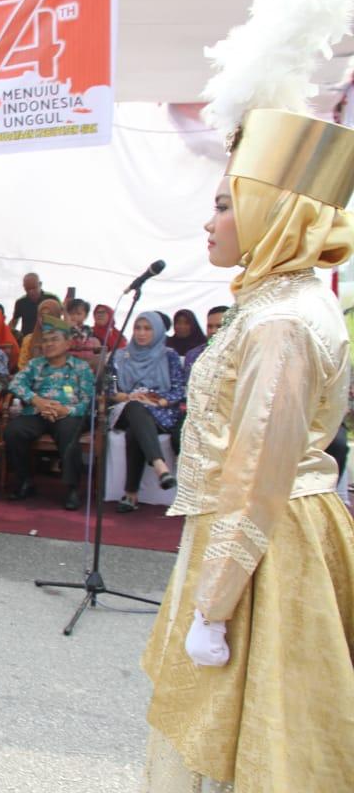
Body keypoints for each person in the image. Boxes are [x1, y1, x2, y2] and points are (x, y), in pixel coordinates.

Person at [138, 67, 354, 785]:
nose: (210, 221)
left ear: (275, 214)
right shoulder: (280, 302)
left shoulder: (280, 322)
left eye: (226, 204)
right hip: (266, 529)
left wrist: (214, 603)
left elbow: (258, 471)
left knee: (253, 727)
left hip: (263, 542)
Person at [4, 317, 96, 510]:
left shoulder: (81, 368)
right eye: (45, 341)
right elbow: (15, 384)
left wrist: (65, 410)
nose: (48, 344)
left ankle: (72, 488)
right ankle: (25, 481)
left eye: (54, 339)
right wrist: (36, 400)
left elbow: (88, 400)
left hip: (69, 414)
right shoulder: (35, 365)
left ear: (68, 343)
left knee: (69, 432)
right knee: (14, 431)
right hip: (38, 411)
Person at [107, 311, 185, 512]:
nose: (141, 333)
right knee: (135, 407)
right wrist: (127, 397)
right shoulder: (119, 357)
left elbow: (179, 389)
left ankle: (130, 494)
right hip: (126, 409)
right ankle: (160, 466)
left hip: (159, 412)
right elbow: (110, 388)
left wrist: (158, 401)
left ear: (158, 331)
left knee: (136, 430)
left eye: (147, 328)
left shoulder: (169, 356)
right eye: (138, 328)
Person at [17, 298, 65, 370]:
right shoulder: (28, 340)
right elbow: (22, 367)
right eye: (41, 316)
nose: (44, 319)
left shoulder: (65, 339)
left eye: (49, 315)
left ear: (57, 316)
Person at [10, 273, 60, 342]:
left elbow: (62, 316)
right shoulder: (20, 302)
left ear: (40, 284)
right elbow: (14, 322)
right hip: (27, 341)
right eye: (27, 289)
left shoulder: (52, 298)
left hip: (49, 339)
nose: (31, 292)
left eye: (34, 288)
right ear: (24, 287)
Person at [182, 305, 227, 371]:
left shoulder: (240, 354)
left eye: (219, 326)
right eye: (210, 326)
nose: (213, 331)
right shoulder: (194, 355)